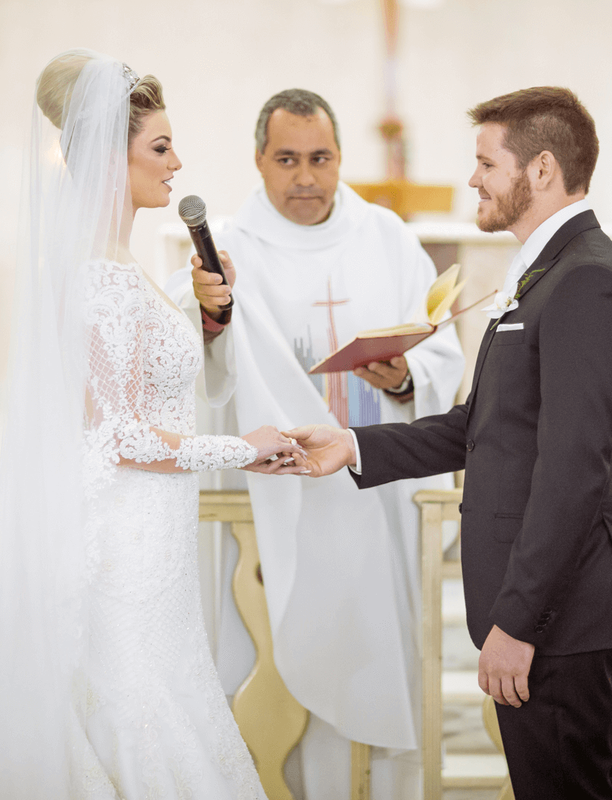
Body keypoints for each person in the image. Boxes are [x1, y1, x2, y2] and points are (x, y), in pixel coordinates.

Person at [0, 50, 308, 800]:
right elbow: (117, 434)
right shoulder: (98, 277)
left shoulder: (117, 263)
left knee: (166, 709)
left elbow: (144, 383)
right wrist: (244, 447)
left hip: (151, 547)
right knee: (140, 721)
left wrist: (199, 313)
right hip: (122, 551)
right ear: (109, 156)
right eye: (160, 147)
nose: (177, 163)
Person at [287, 87, 612, 800]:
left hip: (558, 615)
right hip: (544, 611)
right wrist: (352, 446)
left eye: (485, 163)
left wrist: (518, 622)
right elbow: (479, 429)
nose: (473, 180)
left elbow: (572, 473)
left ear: (540, 170)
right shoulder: (548, 273)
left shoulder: (588, 282)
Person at [166, 89, 464, 798]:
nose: (306, 176)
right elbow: (184, 354)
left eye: (321, 158)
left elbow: (440, 349)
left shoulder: (386, 236)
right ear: (259, 160)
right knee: (270, 651)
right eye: (288, 159)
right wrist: (210, 323)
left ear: (340, 159)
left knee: (377, 654)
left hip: (374, 494)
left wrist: (403, 378)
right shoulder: (225, 248)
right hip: (270, 502)